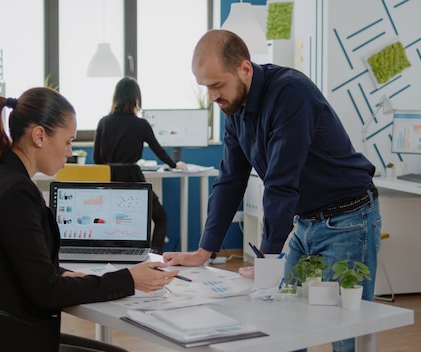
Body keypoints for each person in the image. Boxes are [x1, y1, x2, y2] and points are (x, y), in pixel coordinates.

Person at [163, 30, 381, 352]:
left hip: (348, 219)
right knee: (283, 327)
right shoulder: (233, 106)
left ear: (245, 69)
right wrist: (204, 250)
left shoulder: (290, 93)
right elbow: (230, 179)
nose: (212, 96)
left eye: (217, 85)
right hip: (305, 223)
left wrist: (268, 259)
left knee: (345, 335)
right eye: (206, 87)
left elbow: (281, 182)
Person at [0, 87, 177, 352]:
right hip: (11, 339)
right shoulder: (15, 193)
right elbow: (46, 292)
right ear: (39, 136)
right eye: (68, 141)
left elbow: (20, 265)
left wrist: (65, 275)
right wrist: (129, 278)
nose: (69, 152)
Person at [93, 77, 187, 254]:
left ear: (116, 97)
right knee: (160, 218)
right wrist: (175, 164)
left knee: (113, 221)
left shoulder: (103, 122)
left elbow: (96, 158)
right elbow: (158, 150)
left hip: (109, 180)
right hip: (133, 179)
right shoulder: (141, 124)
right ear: (136, 98)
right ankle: (155, 255)